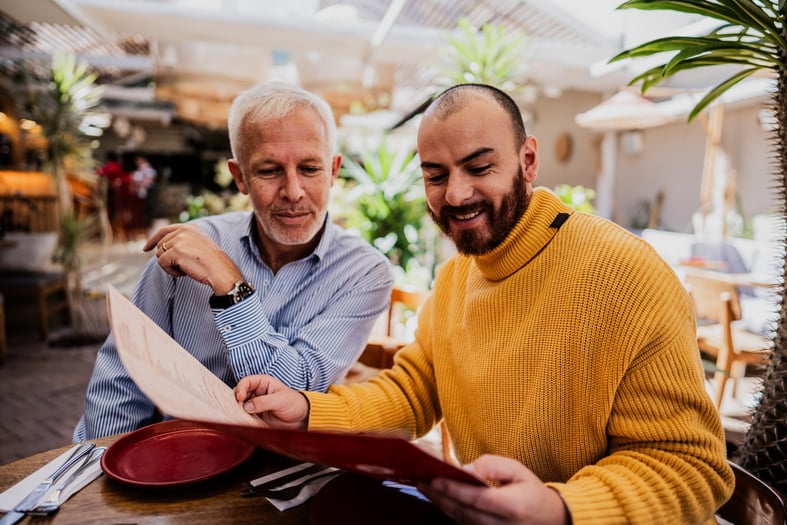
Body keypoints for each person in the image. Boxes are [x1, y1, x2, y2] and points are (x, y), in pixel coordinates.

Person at [234, 83, 735, 524]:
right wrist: (307, 409)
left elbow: (693, 468)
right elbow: (414, 391)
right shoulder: (455, 277)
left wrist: (562, 509)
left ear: (528, 161)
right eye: (435, 175)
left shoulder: (626, 275)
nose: (455, 193)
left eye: (480, 167)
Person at [74, 82, 393, 441]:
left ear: (333, 171)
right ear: (239, 177)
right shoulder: (188, 248)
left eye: (309, 168)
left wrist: (230, 285)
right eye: (270, 171)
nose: (293, 191)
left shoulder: (365, 272)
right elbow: (123, 377)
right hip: (176, 458)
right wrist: (98, 465)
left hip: (281, 471)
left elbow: (292, 390)